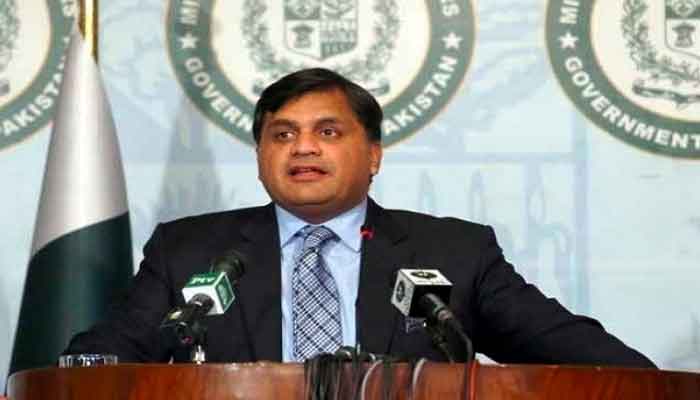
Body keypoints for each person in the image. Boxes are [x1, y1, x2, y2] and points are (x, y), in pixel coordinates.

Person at [64, 68, 654, 367]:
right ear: (261, 155)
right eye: (282, 135)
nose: (302, 147)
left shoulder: (452, 253)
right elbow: (98, 361)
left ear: (373, 155)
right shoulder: (191, 251)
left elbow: (582, 357)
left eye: (328, 132)